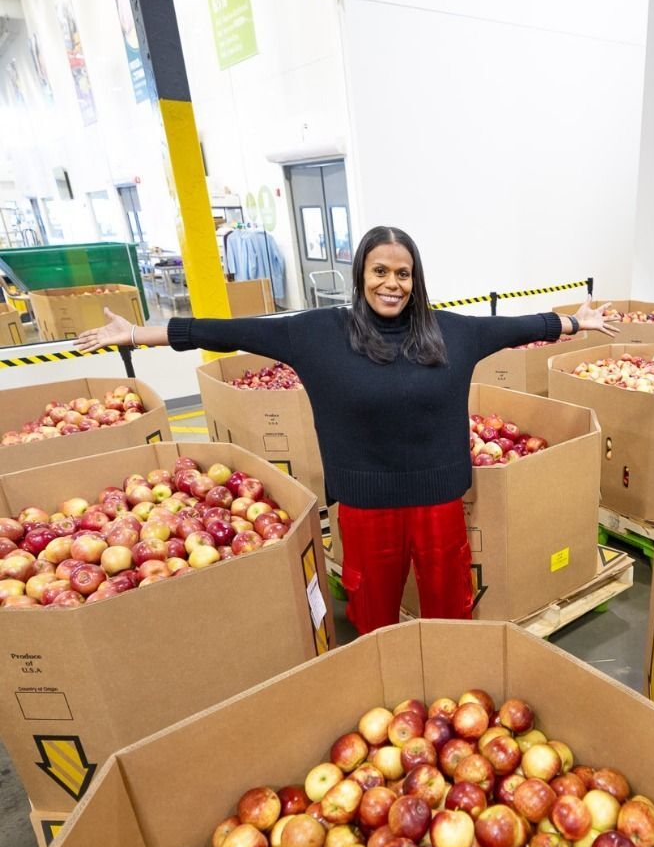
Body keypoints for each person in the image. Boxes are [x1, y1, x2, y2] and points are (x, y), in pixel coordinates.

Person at [75, 225, 619, 634]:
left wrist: (575, 321)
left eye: (403, 273)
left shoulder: (451, 332)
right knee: (373, 615)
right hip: (364, 510)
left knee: (451, 611)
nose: (392, 282)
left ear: (416, 279)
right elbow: (228, 329)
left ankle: (454, 687)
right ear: (361, 273)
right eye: (380, 270)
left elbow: (519, 326)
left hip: (439, 505)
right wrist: (138, 334)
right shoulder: (319, 334)